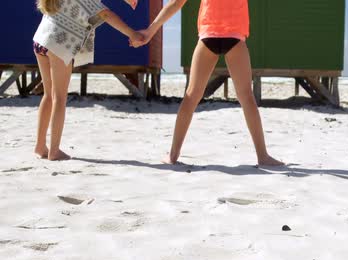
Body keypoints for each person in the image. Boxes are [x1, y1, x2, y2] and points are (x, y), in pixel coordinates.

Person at [132, 0, 284, 166]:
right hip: (233, 37)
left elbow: (176, 3)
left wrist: (151, 30)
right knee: (246, 97)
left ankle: (173, 155)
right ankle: (262, 156)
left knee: (191, 97)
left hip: (209, 35)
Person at [33, 0, 144, 160]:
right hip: (59, 43)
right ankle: (54, 151)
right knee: (59, 97)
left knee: (48, 95)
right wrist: (132, 33)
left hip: (41, 40)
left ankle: (40, 146)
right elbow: (106, 14)